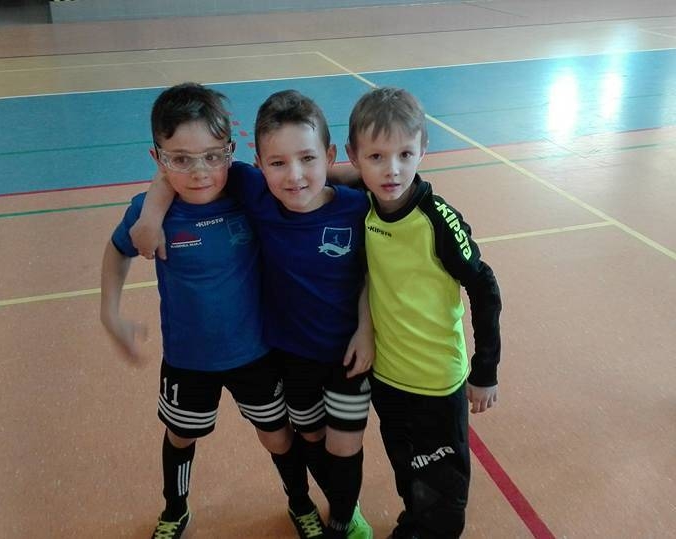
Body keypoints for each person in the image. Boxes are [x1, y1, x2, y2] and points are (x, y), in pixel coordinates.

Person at [132, 90, 375, 539]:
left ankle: (342, 514)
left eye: (308, 159)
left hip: (345, 351)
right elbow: (177, 167)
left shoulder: (354, 206)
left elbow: (370, 269)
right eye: (278, 163)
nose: (294, 175)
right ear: (260, 167)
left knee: (341, 443)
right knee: (308, 435)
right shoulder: (254, 190)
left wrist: (366, 327)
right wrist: (149, 216)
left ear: (327, 156)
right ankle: (314, 501)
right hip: (288, 352)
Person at [100, 82, 300, 539]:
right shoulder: (148, 212)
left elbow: (302, 180)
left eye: (213, 156)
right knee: (181, 435)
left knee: (277, 435)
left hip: (256, 352)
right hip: (187, 360)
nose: (200, 173)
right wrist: (110, 313)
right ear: (157, 159)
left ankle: (300, 501)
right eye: (181, 159)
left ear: (230, 150)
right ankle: (175, 509)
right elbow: (117, 250)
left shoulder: (248, 192)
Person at [344, 86, 502, 539]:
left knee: (443, 485)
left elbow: (485, 287)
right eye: (376, 157)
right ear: (354, 156)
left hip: (436, 380)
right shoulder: (361, 203)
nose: (392, 169)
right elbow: (320, 177)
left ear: (423, 150)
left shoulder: (437, 220)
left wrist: (485, 369)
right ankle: (414, 524)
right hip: (388, 376)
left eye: (405, 154)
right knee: (407, 466)